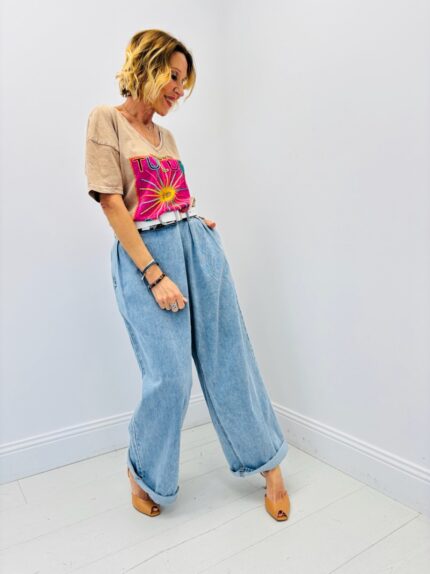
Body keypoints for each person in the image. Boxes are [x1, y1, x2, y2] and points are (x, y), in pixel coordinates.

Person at [84, 28, 290, 521]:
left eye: (184, 82)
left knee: (230, 359)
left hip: (196, 247)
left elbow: (170, 198)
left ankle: (270, 465)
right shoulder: (106, 120)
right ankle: (143, 472)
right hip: (147, 260)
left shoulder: (168, 137)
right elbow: (112, 203)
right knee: (170, 377)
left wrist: (195, 219)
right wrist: (155, 274)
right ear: (146, 66)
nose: (179, 89)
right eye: (173, 77)